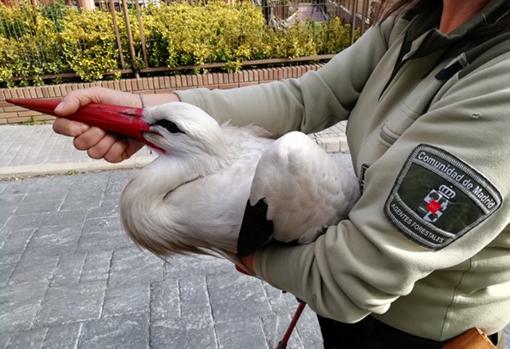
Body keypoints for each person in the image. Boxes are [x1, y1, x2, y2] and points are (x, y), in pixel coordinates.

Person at [53, 0, 510, 347]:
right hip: (341, 303)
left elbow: (346, 281)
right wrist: (148, 110)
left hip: (426, 334)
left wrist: (250, 260)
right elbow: (307, 96)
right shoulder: (416, 19)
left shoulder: (501, 86)